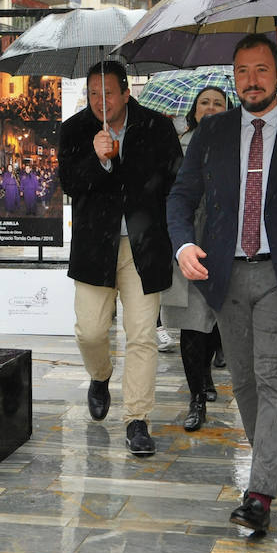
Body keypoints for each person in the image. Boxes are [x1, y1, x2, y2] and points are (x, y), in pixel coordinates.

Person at [168, 34, 277, 534]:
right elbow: (181, 198)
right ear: (233, 76)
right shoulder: (212, 133)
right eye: (242, 71)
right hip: (224, 274)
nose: (251, 80)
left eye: (262, 70)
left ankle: (260, 492)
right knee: (243, 381)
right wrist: (183, 246)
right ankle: (270, 458)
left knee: (274, 381)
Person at [57, 59, 182, 456]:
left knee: (142, 335)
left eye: (108, 93)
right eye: (93, 93)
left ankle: (137, 419)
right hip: (96, 248)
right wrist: (99, 159)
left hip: (144, 248)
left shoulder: (157, 127)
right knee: (90, 332)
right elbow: (69, 185)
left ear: (127, 92)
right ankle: (100, 375)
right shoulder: (75, 130)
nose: (100, 101)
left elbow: (176, 183)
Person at [159, 86, 229, 431]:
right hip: (188, 241)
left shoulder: (242, 145)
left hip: (229, 245)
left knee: (218, 319)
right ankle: (196, 397)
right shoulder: (179, 146)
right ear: (194, 110)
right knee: (191, 322)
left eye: (219, 103)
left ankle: (208, 375)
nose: (212, 108)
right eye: (205, 103)